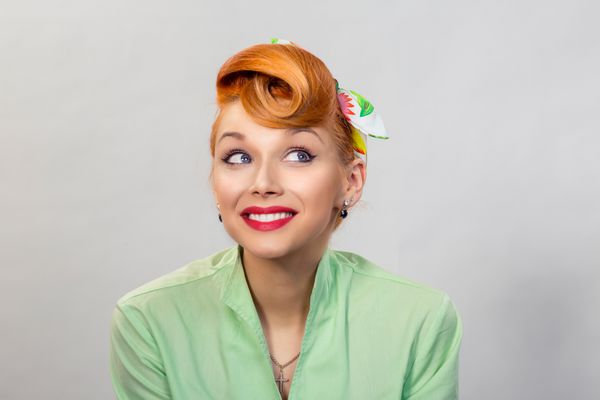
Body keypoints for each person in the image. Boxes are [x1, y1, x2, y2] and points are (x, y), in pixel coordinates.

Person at [109, 38, 463, 400]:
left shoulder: (420, 322)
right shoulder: (149, 321)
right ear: (216, 184)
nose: (262, 184)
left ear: (351, 181)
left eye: (298, 155)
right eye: (238, 157)